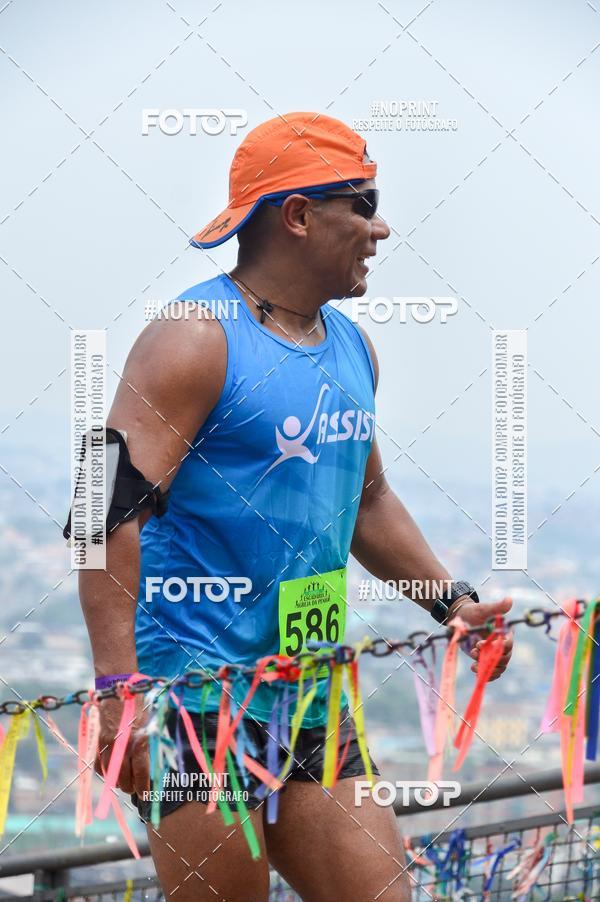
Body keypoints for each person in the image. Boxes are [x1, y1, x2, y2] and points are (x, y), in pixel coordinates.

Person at [78, 112, 513, 901]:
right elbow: (99, 510)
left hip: (312, 691)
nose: (381, 229)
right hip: (193, 704)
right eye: (363, 203)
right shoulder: (192, 338)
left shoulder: (352, 346)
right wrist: (119, 693)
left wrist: (450, 602)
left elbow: (369, 500)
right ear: (300, 215)